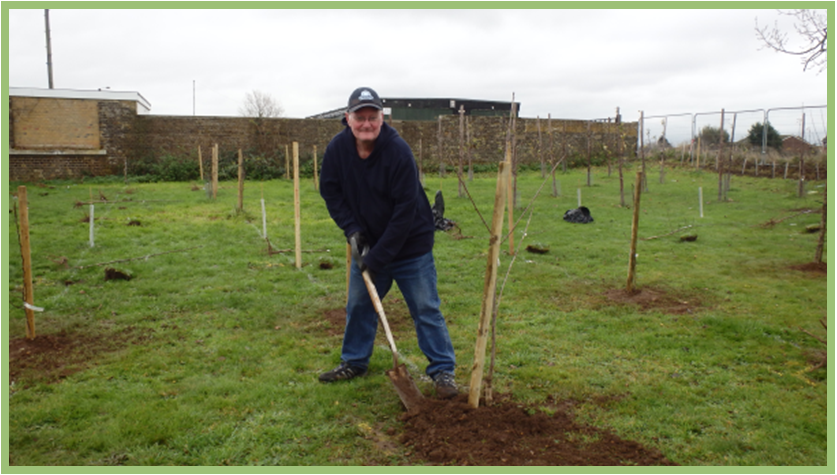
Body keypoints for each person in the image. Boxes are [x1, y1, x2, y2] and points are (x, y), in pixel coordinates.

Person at [318, 87, 458, 399]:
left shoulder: (398, 152)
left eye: (372, 117)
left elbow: (404, 212)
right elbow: (331, 192)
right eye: (359, 117)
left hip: (410, 246)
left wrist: (377, 258)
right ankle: (354, 361)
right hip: (367, 241)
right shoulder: (338, 149)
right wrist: (353, 231)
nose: (366, 123)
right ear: (347, 118)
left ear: (383, 118)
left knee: (425, 308)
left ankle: (443, 371)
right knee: (358, 305)